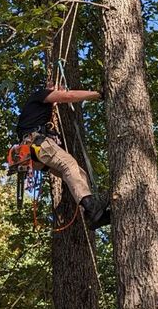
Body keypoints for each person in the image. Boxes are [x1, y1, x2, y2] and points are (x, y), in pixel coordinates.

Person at [15, 84, 110, 229]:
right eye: (57, 89)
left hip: (33, 155)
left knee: (78, 174)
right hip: (37, 144)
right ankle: (92, 208)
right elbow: (68, 96)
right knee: (69, 166)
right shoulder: (41, 94)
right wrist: (99, 95)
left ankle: (95, 216)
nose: (60, 91)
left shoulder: (35, 112)